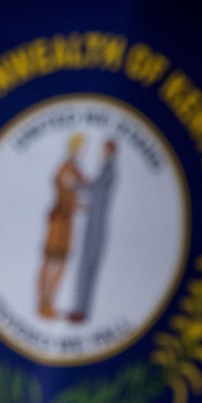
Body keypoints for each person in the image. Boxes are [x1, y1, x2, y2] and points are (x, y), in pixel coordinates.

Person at [67, 137, 118, 323]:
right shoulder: (105, 168)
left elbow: (95, 189)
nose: (102, 153)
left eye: (105, 150)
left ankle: (82, 310)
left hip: (97, 224)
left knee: (89, 266)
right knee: (85, 266)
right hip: (93, 221)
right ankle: (79, 308)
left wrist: (76, 184)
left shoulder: (109, 170)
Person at [36, 132, 86, 319]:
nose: (82, 151)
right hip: (60, 220)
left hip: (67, 222)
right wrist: (77, 204)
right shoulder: (65, 168)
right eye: (80, 147)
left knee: (61, 262)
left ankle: (51, 302)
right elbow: (64, 192)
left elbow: (84, 184)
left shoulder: (75, 168)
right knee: (52, 262)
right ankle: (43, 302)